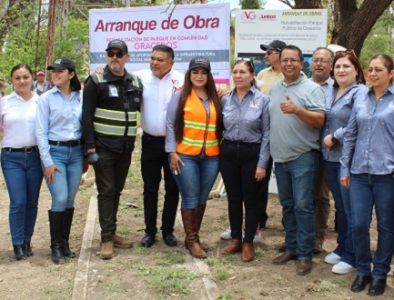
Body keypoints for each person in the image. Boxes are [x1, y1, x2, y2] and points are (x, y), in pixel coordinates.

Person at [83, 40, 142, 259]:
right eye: (110, 54)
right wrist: (89, 148)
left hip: (125, 149)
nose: (114, 57)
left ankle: (112, 231)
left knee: (116, 190)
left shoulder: (135, 81)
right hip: (103, 148)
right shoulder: (96, 80)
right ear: (106, 56)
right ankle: (106, 240)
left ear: (127, 57)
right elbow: (86, 117)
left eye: (119, 54)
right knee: (106, 191)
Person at [340, 54, 394, 296]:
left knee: (386, 226)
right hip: (359, 173)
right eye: (370, 69)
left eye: (379, 69)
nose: (372, 73)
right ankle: (363, 270)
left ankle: (380, 273)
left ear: (391, 74)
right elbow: (350, 134)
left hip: (387, 175)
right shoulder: (361, 97)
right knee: (359, 224)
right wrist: (344, 168)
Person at [270, 45, 325, 275]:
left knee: (303, 206)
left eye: (294, 60)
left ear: (302, 63)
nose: (289, 64)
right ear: (279, 63)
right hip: (280, 159)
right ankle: (291, 247)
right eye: (285, 60)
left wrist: (297, 110)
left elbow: (320, 120)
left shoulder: (312, 89)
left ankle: (305, 254)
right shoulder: (274, 88)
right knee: (288, 205)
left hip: (303, 157)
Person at [166, 57, 222, 258]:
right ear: (189, 74)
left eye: (203, 72)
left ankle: (194, 236)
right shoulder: (180, 95)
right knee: (190, 196)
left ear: (209, 75)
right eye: (195, 72)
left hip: (211, 156)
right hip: (185, 156)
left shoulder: (215, 97)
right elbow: (170, 124)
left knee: (202, 196)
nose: (199, 76)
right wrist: (172, 152)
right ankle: (192, 241)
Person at [220, 58, 270, 262]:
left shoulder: (263, 100)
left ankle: (248, 241)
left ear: (252, 75)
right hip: (229, 152)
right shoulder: (225, 99)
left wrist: (262, 163)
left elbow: (267, 133)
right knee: (233, 198)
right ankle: (235, 238)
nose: (238, 76)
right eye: (235, 72)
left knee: (251, 200)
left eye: (242, 72)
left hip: (253, 153)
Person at [322, 50, 367, 275]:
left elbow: (356, 121)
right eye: (338, 66)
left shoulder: (359, 92)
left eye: (346, 67)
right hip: (329, 158)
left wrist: (334, 136)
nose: (341, 70)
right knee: (341, 207)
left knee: (350, 209)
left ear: (356, 71)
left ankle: (353, 255)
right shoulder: (330, 90)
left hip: (346, 159)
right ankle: (342, 246)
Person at [134, 45, 183, 248]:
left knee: (173, 188)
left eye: (160, 60)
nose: (154, 63)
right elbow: (116, 75)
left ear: (171, 62)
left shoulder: (182, 80)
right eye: (152, 58)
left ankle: (168, 231)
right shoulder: (139, 77)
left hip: (174, 146)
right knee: (150, 188)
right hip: (150, 142)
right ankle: (149, 231)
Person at [35, 58, 83, 264]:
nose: (55, 74)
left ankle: (64, 244)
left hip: (77, 153)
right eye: (53, 71)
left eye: (60, 71)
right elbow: (40, 132)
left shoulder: (81, 97)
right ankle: (55, 246)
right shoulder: (46, 98)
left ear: (71, 75)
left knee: (70, 198)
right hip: (55, 153)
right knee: (60, 196)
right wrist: (47, 161)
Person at [0, 64, 43, 260]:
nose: (22, 81)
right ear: (12, 81)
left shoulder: (41, 101)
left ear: (32, 78)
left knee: (32, 202)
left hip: (35, 157)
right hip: (11, 158)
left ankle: (27, 239)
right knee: (18, 201)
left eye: (25, 77)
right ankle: (17, 243)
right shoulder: (5, 102)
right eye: (17, 78)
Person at [309, 47, 334, 254]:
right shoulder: (302, 86)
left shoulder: (337, 89)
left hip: (327, 151)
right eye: (315, 60)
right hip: (304, 148)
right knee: (300, 195)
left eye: (323, 61)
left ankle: (317, 238)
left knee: (321, 195)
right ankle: (299, 236)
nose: (318, 64)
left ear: (331, 66)